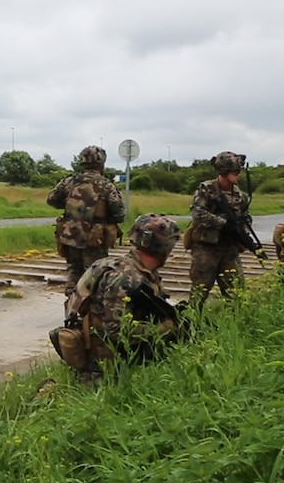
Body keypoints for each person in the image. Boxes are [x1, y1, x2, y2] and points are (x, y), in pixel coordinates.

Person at [54, 213, 183, 386]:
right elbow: (116, 329)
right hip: (102, 368)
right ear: (164, 248)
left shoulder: (135, 269)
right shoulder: (124, 277)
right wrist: (163, 329)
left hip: (113, 357)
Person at [46, 145, 126, 297]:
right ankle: (91, 314)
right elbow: (120, 214)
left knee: (74, 272)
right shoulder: (107, 186)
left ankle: (71, 309)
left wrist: (73, 206)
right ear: (102, 164)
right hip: (94, 239)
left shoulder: (69, 182)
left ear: (82, 163)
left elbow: (51, 200)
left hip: (70, 235)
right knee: (95, 277)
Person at [186, 151, 257, 307]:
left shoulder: (240, 195)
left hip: (230, 249)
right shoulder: (207, 189)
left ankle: (235, 326)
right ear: (224, 172)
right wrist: (223, 224)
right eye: (235, 172)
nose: (238, 175)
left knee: (236, 294)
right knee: (199, 292)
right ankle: (189, 326)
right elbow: (198, 213)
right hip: (206, 248)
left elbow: (246, 216)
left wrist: (241, 230)